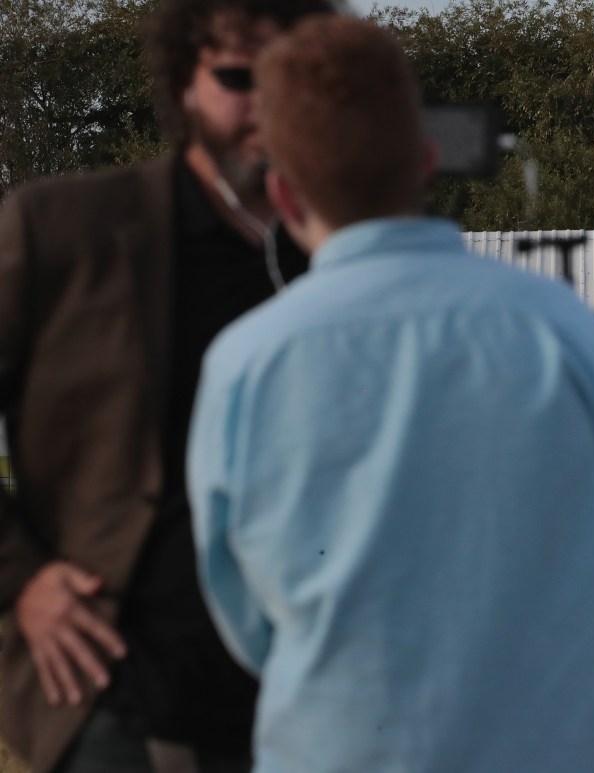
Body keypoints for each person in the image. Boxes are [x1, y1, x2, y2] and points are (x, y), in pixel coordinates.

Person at [185, 16, 594, 773]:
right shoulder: (564, 329)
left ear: (285, 195)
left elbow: (246, 621)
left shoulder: (244, 363)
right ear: (425, 160)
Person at [0, 1, 338, 770]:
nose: (267, 103)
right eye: (237, 77)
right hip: (114, 697)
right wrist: (20, 581)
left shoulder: (346, 256)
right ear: (182, 84)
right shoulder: (61, 230)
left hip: (316, 705)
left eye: (292, 80)